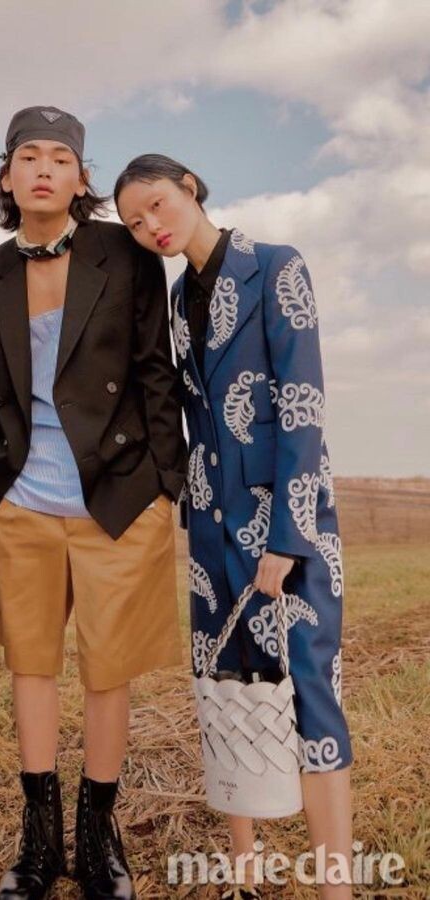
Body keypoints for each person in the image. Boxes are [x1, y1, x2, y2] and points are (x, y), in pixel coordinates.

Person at [115, 155, 353, 900]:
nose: (152, 227)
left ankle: (336, 886)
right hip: (212, 532)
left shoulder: (277, 267)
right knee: (227, 691)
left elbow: (303, 407)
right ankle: (243, 870)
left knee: (309, 697)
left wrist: (287, 537)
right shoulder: (176, 298)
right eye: (134, 223)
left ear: (190, 187)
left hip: (288, 528)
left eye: (158, 205)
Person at [0, 108, 188, 900]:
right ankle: (38, 840)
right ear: (6, 176)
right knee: (31, 667)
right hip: (25, 501)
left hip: (117, 498)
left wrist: (166, 485)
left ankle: (98, 837)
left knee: (107, 670)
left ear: (81, 178)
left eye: (60, 158)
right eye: (28, 156)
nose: (44, 169)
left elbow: (156, 372)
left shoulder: (125, 253)